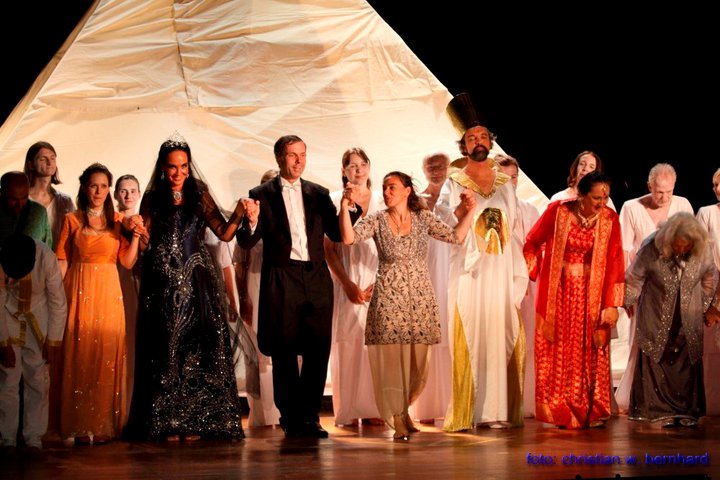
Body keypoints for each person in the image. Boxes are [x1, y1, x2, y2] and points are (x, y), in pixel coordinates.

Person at [123, 133, 251, 442]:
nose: (178, 173)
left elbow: (223, 233)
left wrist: (239, 211)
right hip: (162, 282)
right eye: (172, 167)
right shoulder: (153, 197)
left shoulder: (199, 192)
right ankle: (167, 420)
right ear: (162, 167)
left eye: (183, 166)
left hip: (196, 281)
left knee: (197, 346)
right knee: (165, 346)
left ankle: (197, 421)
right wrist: (135, 230)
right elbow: (146, 243)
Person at [236, 134, 362, 439]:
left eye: (303, 154)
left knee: (318, 349)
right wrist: (251, 221)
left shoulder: (318, 193)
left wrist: (349, 207)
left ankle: (310, 416)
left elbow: (336, 232)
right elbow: (247, 241)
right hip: (282, 278)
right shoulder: (261, 193)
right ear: (280, 157)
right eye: (293, 155)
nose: (299, 161)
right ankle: (291, 417)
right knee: (285, 350)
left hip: (316, 278)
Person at [339, 171, 476, 440]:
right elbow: (348, 238)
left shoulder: (423, 218)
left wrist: (470, 212)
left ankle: (403, 410)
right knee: (392, 361)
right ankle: (396, 417)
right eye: (384, 188)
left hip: (420, 297)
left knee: (418, 361)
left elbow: (456, 237)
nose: (387, 192)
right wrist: (345, 207)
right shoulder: (378, 220)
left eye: (392, 187)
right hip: (389, 296)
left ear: (407, 191)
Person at [439, 93, 528, 431]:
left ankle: (497, 410)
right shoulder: (454, 180)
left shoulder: (505, 182)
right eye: (471, 137)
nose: (478, 141)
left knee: (499, 331)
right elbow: (444, 222)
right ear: (463, 145)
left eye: (483, 136)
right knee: (473, 332)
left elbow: (513, 224)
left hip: (500, 269)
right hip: (470, 270)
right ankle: (469, 412)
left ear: (491, 141)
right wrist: (462, 210)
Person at [524, 171, 624, 429]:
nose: (602, 203)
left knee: (589, 350)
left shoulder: (610, 219)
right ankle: (561, 409)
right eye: (596, 198)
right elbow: (532, 241)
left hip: (592, 295)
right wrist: (528, 273)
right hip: (559, 293)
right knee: (561, 350)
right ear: (581, 195)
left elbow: (615, 261)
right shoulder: (558, 211)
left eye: (606, 198)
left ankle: (591, 410)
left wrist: (612, 304)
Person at [55, 163, 143, 444]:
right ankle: (80, 425)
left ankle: (103, 424)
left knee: (106, 356)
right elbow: (62, 260)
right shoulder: (72, 219)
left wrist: (136, 237)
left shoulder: (117, 221)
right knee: (80, 356)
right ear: (84, 187)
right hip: (79, 290)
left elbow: (126, 262)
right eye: (94, 185)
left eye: (104, 186)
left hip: (108, 293)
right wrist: (58, 299)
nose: (98, 191)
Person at [624, 212, 717, 428]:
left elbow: (710, 278)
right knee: (657, 358)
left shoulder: (702, 249)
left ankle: (686, 412)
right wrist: (626, 301)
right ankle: (658, 411)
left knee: (686, 362)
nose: (681, 250)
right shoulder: (652, 246)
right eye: (677, 245)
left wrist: (704, 307)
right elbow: (634, 277)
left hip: (688, 316)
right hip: (656, 312)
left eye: (686, 246)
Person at [614, 163, 694, 412]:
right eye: (659, 192)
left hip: (677, 289)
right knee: (641, 342)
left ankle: (672, 398)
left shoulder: (683, 205)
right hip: (645, 289)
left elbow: (693, 247)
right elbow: (623, 251)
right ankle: (641, 397)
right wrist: (627, 293)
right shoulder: (631, 208)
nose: (665, 197)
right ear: (649, 186)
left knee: (675, 343)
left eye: (669, 191)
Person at [325, 148, 383, 427]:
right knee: (348, 343)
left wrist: (381, 280)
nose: (358, 170)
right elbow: (328, 249)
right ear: (344, 170)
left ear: (369, 167)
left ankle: (374, 408)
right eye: (352, 165)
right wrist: (347, 284)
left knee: (375, 345)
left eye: (362, 164)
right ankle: (347, 410)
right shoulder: (334, 200)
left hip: (377, 279)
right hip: (347, 278)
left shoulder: (383, 199)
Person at [0, 234, 67, 456]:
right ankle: (7, 438)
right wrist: (3, 342)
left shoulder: (46, 257)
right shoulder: (2, 258)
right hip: (8, 316)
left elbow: (57, 300)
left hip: (38, 318)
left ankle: (33, 438)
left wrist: (54, 340)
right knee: (8, 378)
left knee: (38, 379)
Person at [232, 169, 281, 428]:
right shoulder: (249, 220)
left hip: (281, 287)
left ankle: (284, 410)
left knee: (284, 349)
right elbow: (240, 262)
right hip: (256, 284)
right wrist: (243, 298)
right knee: (259, 350)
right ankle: (263, 413)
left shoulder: (285, 218)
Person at [409, 152, 452, 425]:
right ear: (423, 169)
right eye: (430, 166)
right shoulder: (415, 201)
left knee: (450, 336)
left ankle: (452, 403)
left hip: (451, 272)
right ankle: (424, 406)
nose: (436, 171)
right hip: (424, 274)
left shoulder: (455, 197)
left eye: (440, 166)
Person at [496, 153, 540, 418]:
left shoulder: (529, 210)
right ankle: (500, 401)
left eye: (513, 178)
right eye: (503, 178)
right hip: (498, 285)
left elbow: (537, 247)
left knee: (527, 341)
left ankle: (526, 400)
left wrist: (525, 278)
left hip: (526, 285)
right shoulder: (488, 210)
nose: (509, 183)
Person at [113, 174, 143, 411]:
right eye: (123, 191)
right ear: (116, 195)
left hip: (140, 281)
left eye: (133, 191)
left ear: (139, 194)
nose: (128, 195)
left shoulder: (144, 221)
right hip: (117, 279)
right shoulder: (111, 221)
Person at [696, 168, 720, 415]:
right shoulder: (706, 213)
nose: (717, 189)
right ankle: (709, 402)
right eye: (715, 184)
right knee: (710, 351)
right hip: (712, 288)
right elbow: (700, 256)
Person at [24, 141, 76, 247]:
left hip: (57, 256)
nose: (49, 163)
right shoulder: (22, 199)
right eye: (43, 159)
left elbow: (74, 232)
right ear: (31, 165)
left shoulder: (65, 201)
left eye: (52, 158)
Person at [549, 151, 616, 210]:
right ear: (575, 167)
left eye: (591, 167)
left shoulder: (604, 201)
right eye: (582, 164)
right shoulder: (559, 198)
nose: (585, 168)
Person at [0, 172, 52, 247]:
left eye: (24, 198)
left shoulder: (40, 213)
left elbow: (47, 248)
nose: (19, 204)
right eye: (14, 199)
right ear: (2, 193)